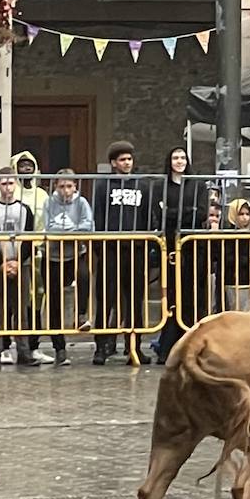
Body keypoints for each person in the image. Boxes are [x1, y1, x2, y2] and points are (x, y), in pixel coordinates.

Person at [92, 141, 160, 366]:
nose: (127, 163)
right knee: (106, 299)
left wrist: (147, 241)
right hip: (111, 248)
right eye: (122, 160)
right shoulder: (103, 185)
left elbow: (148, 214)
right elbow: (99, 216)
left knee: (135, 300)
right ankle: (101, 347)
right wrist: (100, 244)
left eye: (129, 159)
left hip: (136, 248)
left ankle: (134, 346)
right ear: (113, 163)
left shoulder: (142, 185)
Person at [157, 146, 211, 364]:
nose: (179, 161)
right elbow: (159, 212)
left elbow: (201, 212)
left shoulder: (197, 185)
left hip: (191, 246)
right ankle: (168, 344)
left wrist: (174, 212)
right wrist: (179, 213)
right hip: (169, 245)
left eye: (182, 157)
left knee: (192, 293)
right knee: (171, 294)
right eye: (175, 157)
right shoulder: (162, 185)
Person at [0, 167, 39, 369]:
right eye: (3, 183)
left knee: (21, 310)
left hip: (20, 263)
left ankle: (24, 351)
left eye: (11, 183)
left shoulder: (25, 210)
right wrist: (2, 261)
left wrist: (17, 260)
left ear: (16, 184)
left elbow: (29, 238)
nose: (8, 187)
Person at [44, 169, 94, 366]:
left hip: (75, 253)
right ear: (56, 186)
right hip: (54, 256)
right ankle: (60, 349)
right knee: (54, 300)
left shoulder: (81, 202)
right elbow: (48, 226)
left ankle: (81, 314)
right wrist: (70, 233)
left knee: (84, 276)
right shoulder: (49, 202)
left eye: (69, 186)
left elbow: (88, 225)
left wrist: (67, 233)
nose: (66, 191)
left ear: (75, 187)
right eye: (61, 186)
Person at [11, 151, 54, 365]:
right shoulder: (11, 192)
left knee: (37, 299)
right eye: (22, 165)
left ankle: (35, 345)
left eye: (30, 165)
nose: (26, 169)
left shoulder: (43, 195)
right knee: (16, 301)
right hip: (16, 254)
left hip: (38, 253)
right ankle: (15, 345)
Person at [220, 199, 250, 310]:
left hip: (249, 281)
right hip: (233, 281)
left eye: (247, 214)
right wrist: (248, 261)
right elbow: (227, 258)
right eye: (241, 214)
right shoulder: (228, 233)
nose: (245, 217)